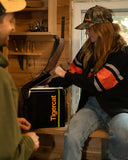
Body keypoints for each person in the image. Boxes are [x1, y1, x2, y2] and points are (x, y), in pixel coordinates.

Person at [48, 5, 128, 160]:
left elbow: (98, 84)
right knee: (72, 135)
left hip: (119, 109)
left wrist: (64, 74)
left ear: (101, 28)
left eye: (89, 29)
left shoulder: (122, 53)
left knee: (124, 135)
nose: (86, 32)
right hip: (91, 107)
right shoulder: (86, 50)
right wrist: (51, 84)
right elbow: (72, 75)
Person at [0, 0, 39, 159]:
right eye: (10, 21)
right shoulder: (2, 78)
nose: (13, 27)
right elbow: (8, 155)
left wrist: (10, 122)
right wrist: (29, 142)